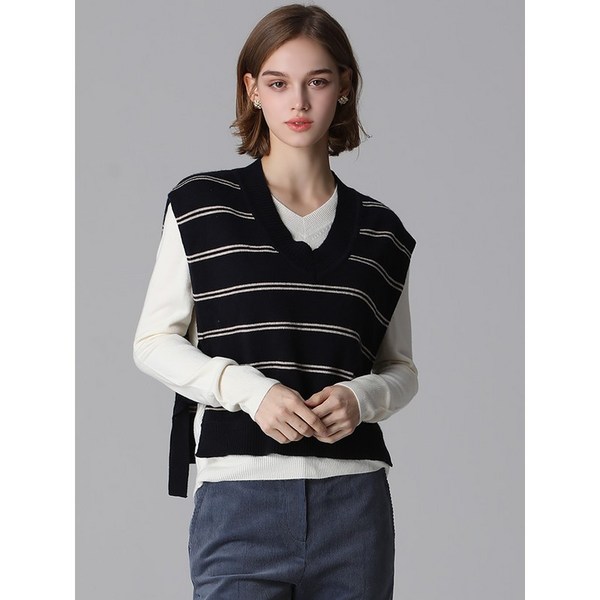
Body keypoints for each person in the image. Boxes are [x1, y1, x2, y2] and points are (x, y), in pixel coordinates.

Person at [133, 4, 418, 598]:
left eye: (318, 81)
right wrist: (250, 391)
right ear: (252, 90)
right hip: (240, 500)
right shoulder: (201, 206)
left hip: (356, 507)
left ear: (344, 87)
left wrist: (361, 397)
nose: (299, 102)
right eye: (279, 83)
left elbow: (400, 368)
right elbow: (154, 342)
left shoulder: (382, 233)